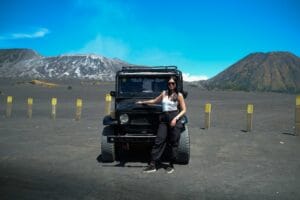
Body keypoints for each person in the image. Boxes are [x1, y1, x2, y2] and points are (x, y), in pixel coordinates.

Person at [136, 76, 187, 173]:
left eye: (172, 83)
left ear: (176, 84)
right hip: (164, 118)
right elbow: (155, 101)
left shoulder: (179, 95)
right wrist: (143, 102)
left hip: (174, 117)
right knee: (159, 140)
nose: (170, 85)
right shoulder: (164, 93)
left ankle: (171, 164)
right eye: (169, 83)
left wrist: (175, 119)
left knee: (173, 142)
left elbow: (184, 110)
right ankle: (153, 164)